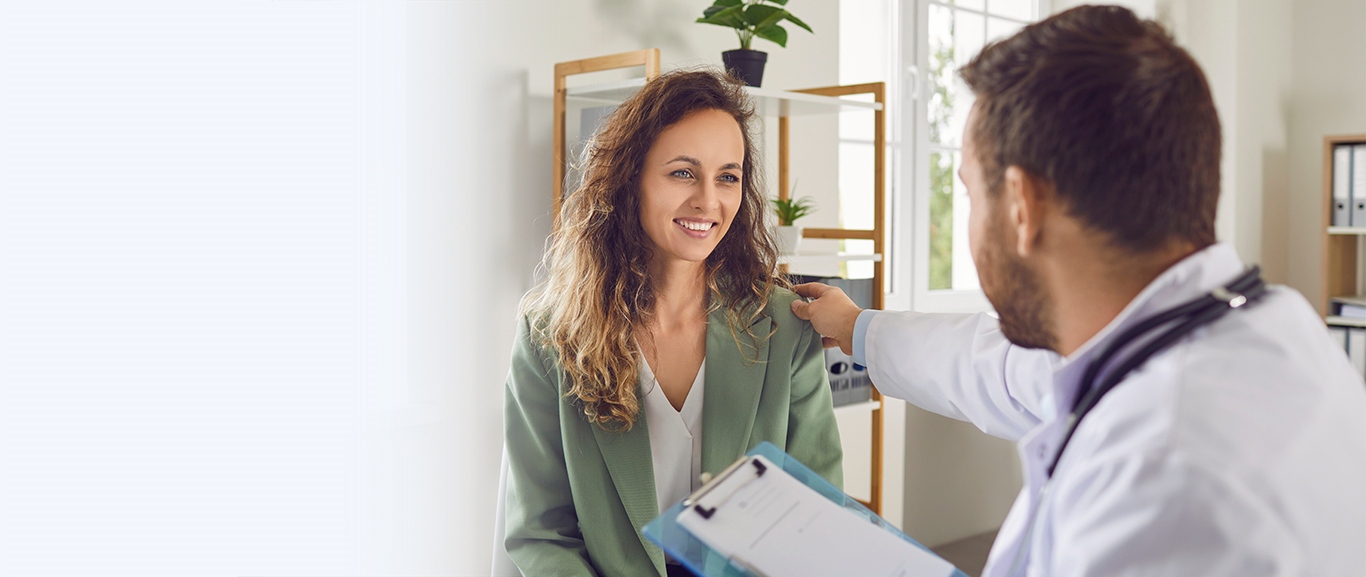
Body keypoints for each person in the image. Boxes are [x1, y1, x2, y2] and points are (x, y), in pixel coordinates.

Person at [793, 6, 1366, 576]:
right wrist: (856, 327)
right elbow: (1000, 369)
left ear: (1022, 207)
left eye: (969, 193)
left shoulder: (1165, 475)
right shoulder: (1266, 330)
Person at [501, 69, 842, 577]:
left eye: (728, 176)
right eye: (683, 172)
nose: (709, 201)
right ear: (630, 178)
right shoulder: (550, 334)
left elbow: (817, 514)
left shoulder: (784, 326)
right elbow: (541, 533)